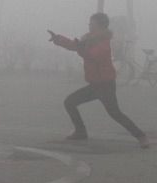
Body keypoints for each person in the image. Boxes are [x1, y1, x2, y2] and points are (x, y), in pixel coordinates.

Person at [48, 12, 149, 148]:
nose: (89, 26)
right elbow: (75, 45)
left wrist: (82, 49)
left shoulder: (104, 41)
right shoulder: (89, 39)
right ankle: (80, 131)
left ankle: (141, 136)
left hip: (105, 85)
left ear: (100, 26)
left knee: (115, 113)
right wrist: (58, 39)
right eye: (89, 23)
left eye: (92, 24)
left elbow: (93, 55)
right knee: (70, 102)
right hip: (95, 84)